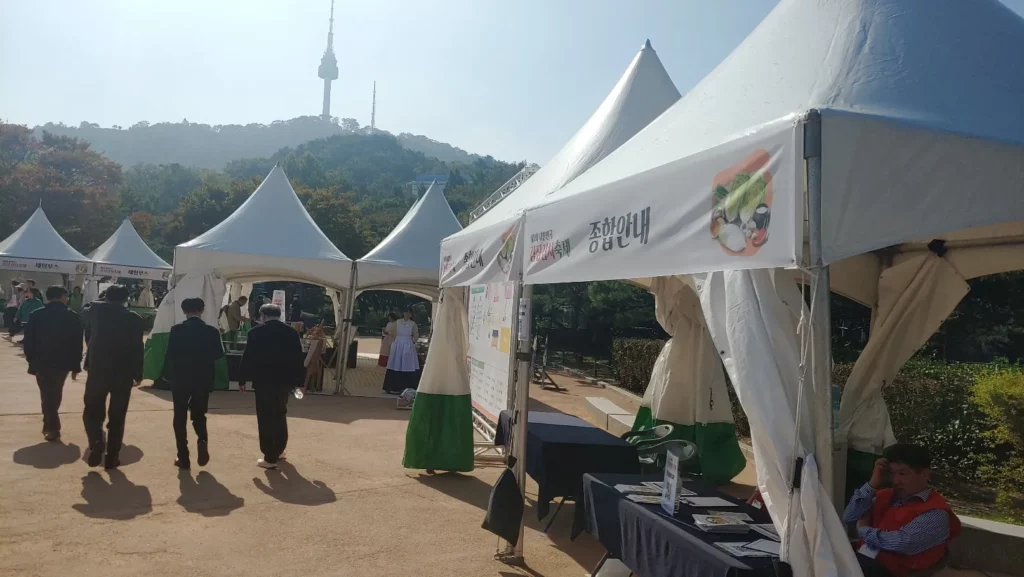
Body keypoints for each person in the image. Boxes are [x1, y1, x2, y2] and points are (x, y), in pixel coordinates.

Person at [843, 443, 961, 577]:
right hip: (864, 561)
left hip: (894, 572)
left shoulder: (936, 513)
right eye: (892, 473)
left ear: (925, 474)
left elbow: (901, 543)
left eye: (902, 473)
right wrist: (873, 483)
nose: (895, 481)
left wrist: (863, 530)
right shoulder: (883, 495)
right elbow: (850, 517)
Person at [81, 285, 144, 469]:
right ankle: (112, 456)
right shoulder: (134, 318)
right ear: (126, 300)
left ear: (106, 297)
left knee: (92, 410)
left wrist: (101, 302)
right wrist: (138, 374)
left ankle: (96, 441)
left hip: (98, 370)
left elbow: (83, 313)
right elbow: (138, 349)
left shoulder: (95, 311)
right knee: (117, 416)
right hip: (123, 373)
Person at [239, 304, 304, 469]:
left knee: (266, 416)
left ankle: (269, 456)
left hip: (263, 381)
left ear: (262, 315)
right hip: (284, 381)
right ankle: (280, 450)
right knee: (280, 413)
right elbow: (298, 358)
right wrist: (300, 382)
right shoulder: (291, 332)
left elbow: (248, 357)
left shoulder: (255, 332)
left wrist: (242, 379)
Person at [163, 297, 224, 469]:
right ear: (202, 310)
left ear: (184, 311)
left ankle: (183, 456)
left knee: (179, 415)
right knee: (199, 414)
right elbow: (218, 354)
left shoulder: (177, 330)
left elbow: (170, 354)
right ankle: (202, 439)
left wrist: (167, 374)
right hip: (203, 379)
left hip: (181, 378)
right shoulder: (212, 331)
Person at [22, 286, 84, 442]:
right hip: (62, 363)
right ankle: (51, 426)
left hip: (41, 362)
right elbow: (77, 344)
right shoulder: (72, 317)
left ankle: (50, 426)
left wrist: (31, 360)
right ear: (63, 296)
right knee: (53, 394)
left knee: (47, 394)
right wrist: (75, 366)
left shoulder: (36, 315)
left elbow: (28, 342)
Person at [382, 308, 420, 394]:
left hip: (407, 344)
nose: (407, 314)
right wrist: (392, 342)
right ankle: (391, 387)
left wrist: (414, 342)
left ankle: (407, 387)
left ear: (411, 315)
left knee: (407, 364)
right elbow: (393, 332)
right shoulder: (398, 322)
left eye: (409, 313)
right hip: (398, 344)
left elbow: (416, 334)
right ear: (403, 313)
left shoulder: (413, 324)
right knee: (395, 363)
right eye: (405, 312)